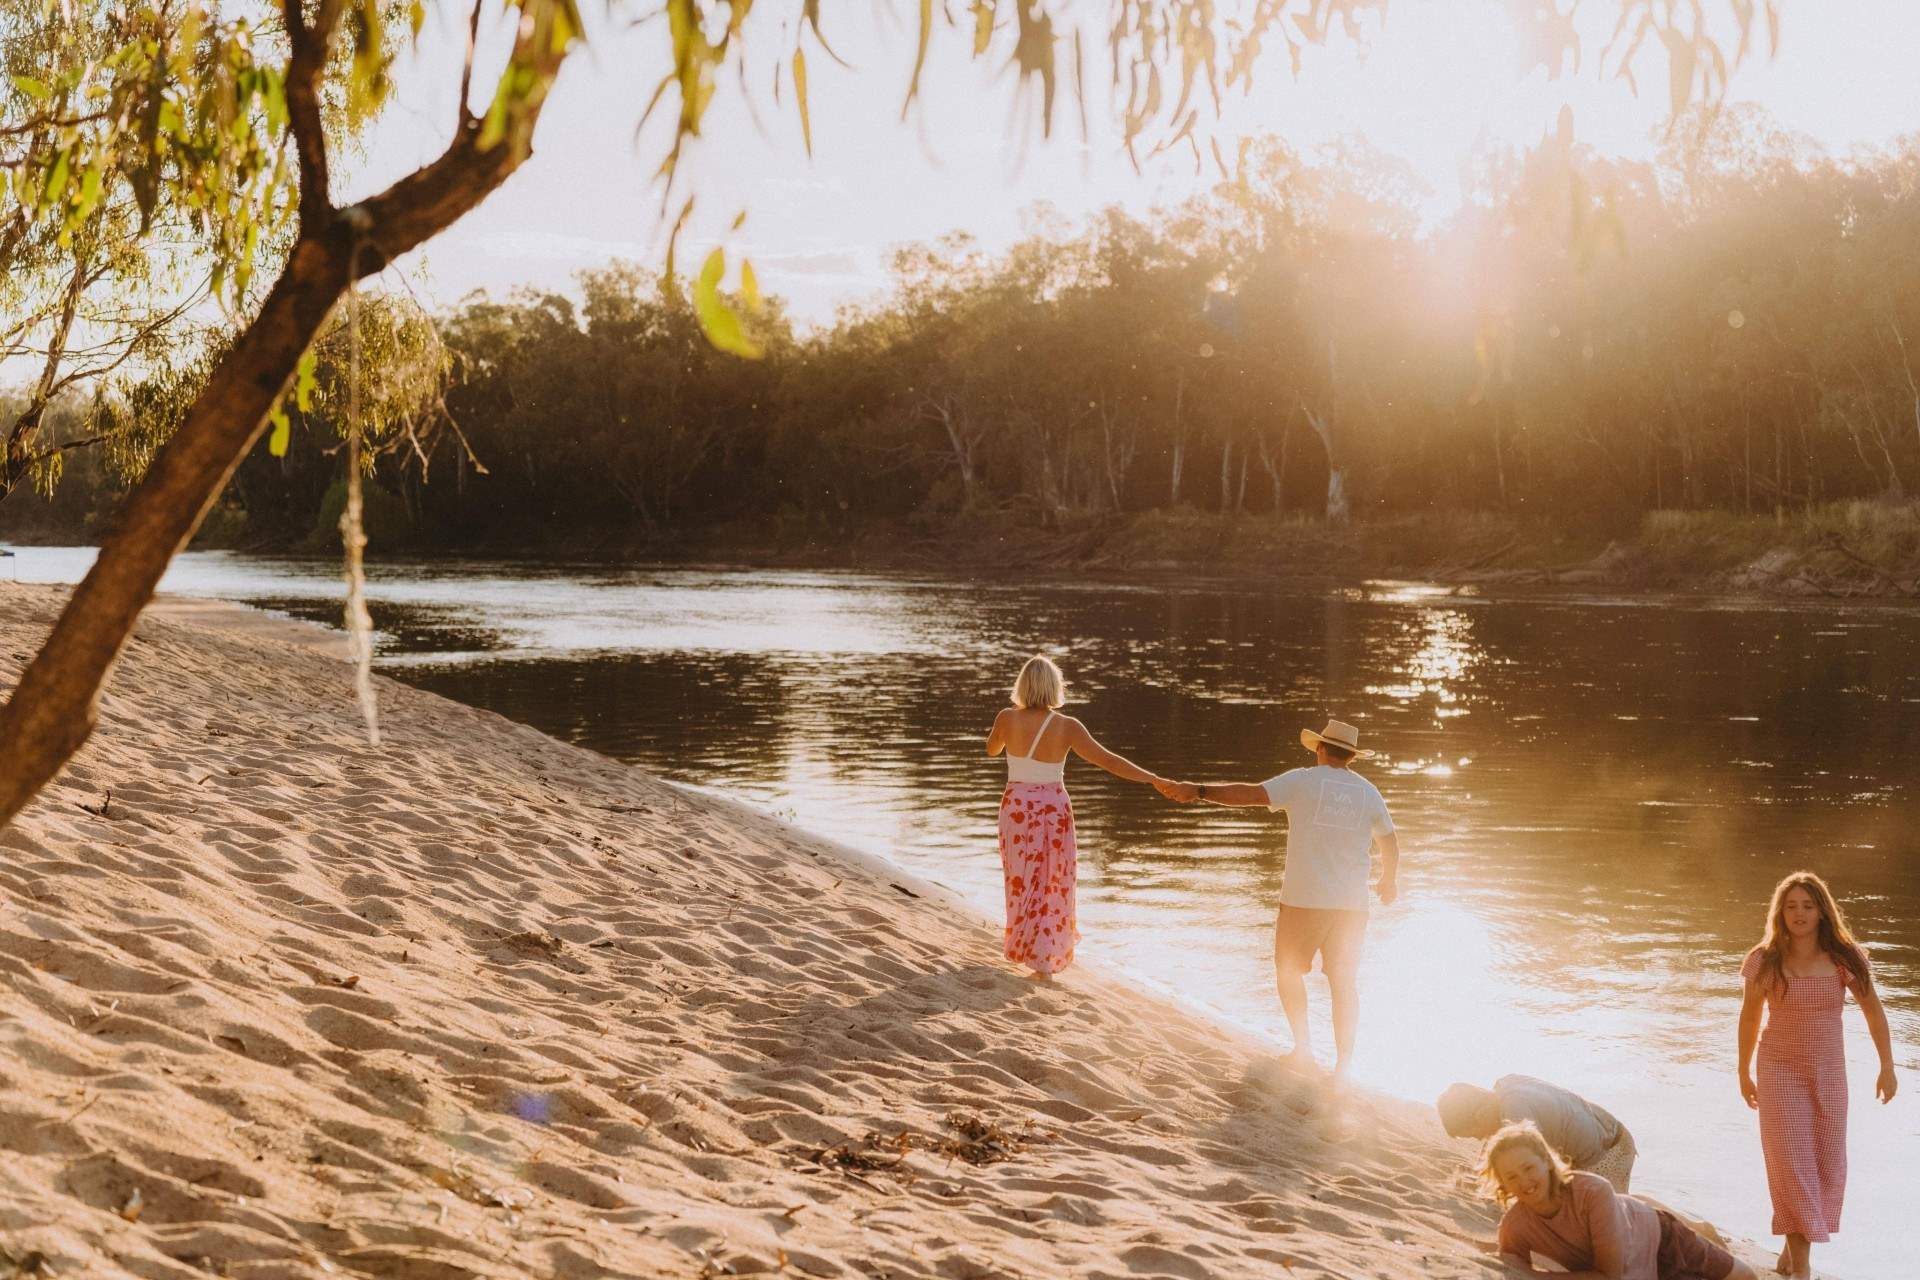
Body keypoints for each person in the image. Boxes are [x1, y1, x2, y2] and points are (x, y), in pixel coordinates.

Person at [1159, 717, 1399, 1081]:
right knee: (1344, 982)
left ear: (1320, 748)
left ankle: (1303, 1050)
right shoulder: (1369, 792)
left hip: (1304, 900)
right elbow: (1389, 840)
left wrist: (1200, 790)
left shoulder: (1302, 780)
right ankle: (1344, 1066)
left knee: (1289, 972)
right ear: (1351, 757)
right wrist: (1388, 880)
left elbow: (1250, 794)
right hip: (1352, 905)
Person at [1736, 870, 1897, 1280]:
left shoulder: (1846, 958)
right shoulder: (1766, 958)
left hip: (1828, 1075)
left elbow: (1873, 1011)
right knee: (1791, 1164)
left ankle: (1791, 1250)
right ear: (1780, 913)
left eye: (1807, 905)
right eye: (1791, 906)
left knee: (1823, 1164)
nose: (1799, 913)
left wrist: (1887, 1065)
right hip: (1778, 1071)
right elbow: (1750, 1016)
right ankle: (1803, 1268)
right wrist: (1743, 1069)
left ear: (1823, 911)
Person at [984, 655, 1170, 980]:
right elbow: (1109, 761)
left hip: (1015, 807)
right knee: (1052, 879)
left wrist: (1009, 736)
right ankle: (1043, 961)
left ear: (1022, 686)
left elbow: (992, 751)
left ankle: (1023, 945)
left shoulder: (1006, 718)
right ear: (1055, 687)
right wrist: (1152, 778)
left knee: (1020, 878)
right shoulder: (1067, 727)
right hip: (1052, 808)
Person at [1484, 1121, 1756, 1280]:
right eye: (1511, 1176)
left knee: (1746, 1277)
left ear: (1546, 1161)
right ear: (1502, 1183)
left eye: (1528, 1168)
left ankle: (1703, 1231)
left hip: (1661, 1239)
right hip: (1632, 1274)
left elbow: (1608, 1275)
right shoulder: (1515, 1225)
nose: (1523, 1181)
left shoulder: (1592, 1190)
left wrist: (1541, 1277)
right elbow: (1510, 1267)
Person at [1439, 1076, 1638, 1192]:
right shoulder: (1505, 1087)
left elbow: (1530, 1162)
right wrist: (1480, 1171)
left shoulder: (1515, 1111)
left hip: (1608, 1153)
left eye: (1475, 1134)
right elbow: (1499, 1142)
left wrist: (1489, 1183)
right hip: (1608, 1131)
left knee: (1610, 1212)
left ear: (1480, 1114)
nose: (1480, 1138)